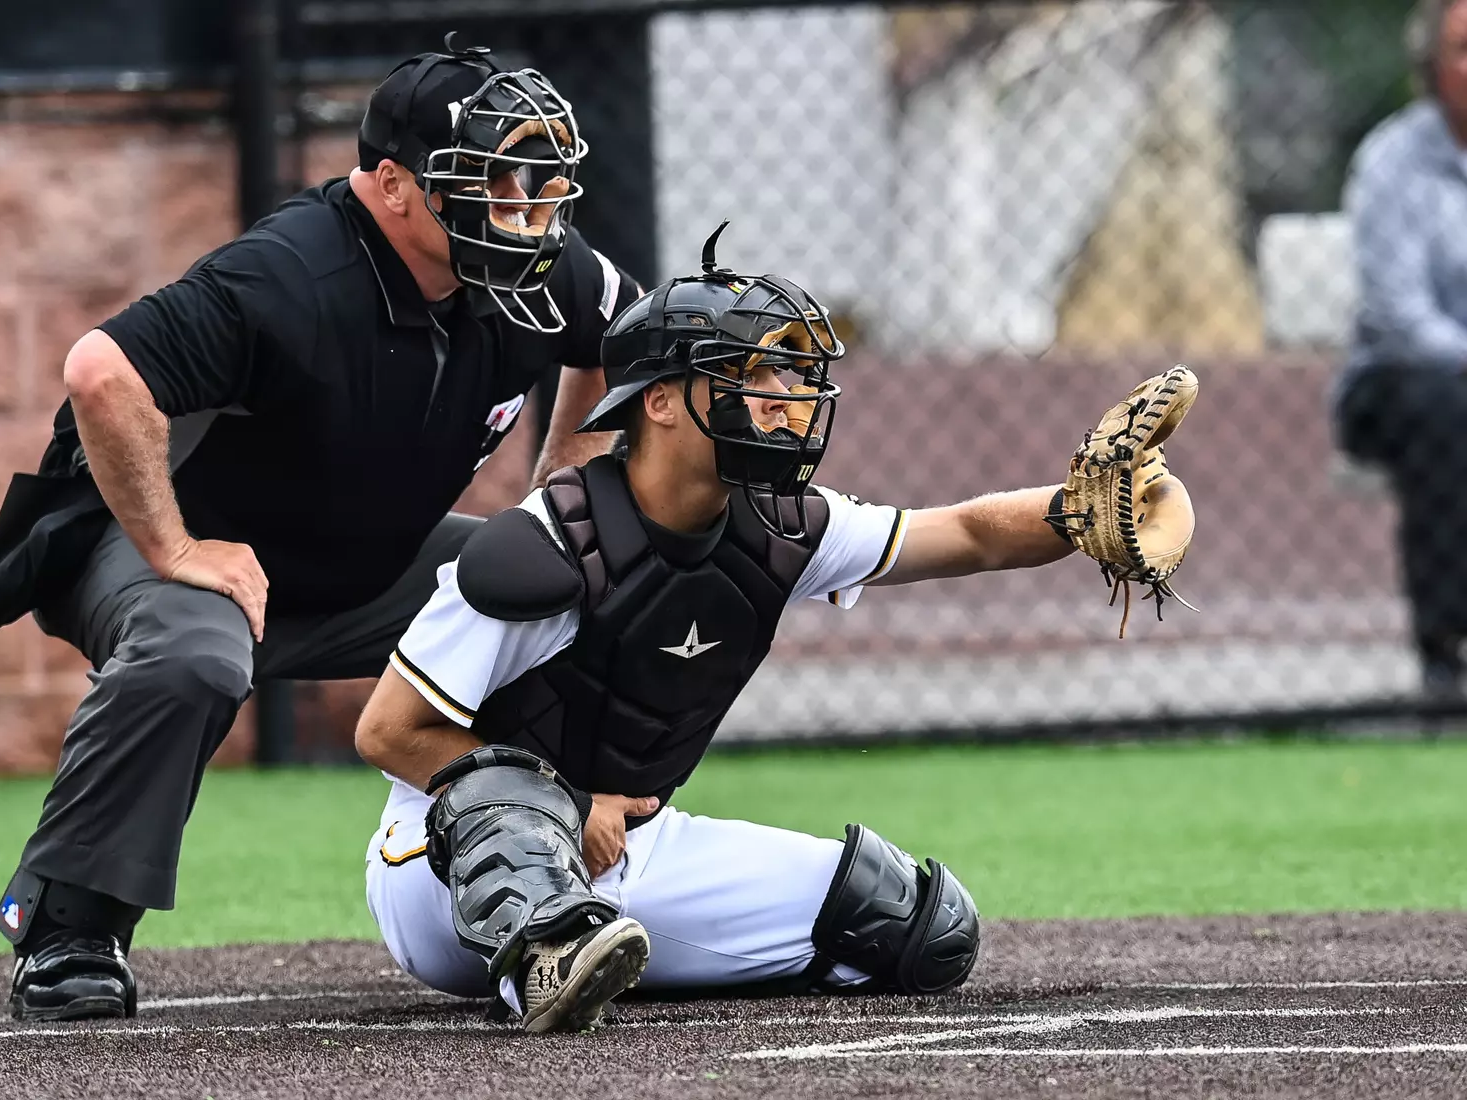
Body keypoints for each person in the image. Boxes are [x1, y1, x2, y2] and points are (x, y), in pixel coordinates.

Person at [351, 229, 1198, 1033]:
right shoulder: (544, 544)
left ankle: (603, 949)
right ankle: (542, 956)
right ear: (662, 402)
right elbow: (388, 730)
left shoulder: (785, 526)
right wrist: (570, 808)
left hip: (631, 849)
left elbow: (967, 533)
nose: (791, 399)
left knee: (918, 927)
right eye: (759, 373)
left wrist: (1075, 512)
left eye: (798, 376)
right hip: (445, 871)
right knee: (512, 800)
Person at [0, 35, 642, 1022]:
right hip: (161, 543)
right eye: (496, 182)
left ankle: (535, 898)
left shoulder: (536, 268)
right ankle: (67, 927)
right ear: (394, 186)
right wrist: (175, 549)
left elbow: (620, 345)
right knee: (194, 654)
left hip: (360, 557)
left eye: (537, 184)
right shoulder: (292, 273)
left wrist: (555, 490)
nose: (527, 210)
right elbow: (101, 373)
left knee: (573, 582)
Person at [1333, 0, 1467, 702]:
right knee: (1447, 405)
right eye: (1464, 49)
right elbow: (1400, 315)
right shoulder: (1394, 162)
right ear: (1432, 69)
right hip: (1399, 383)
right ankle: (1445, 649)